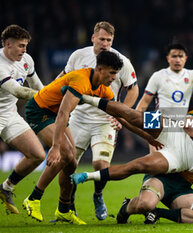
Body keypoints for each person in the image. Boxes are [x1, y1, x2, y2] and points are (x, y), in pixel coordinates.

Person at [22, 50, 123, 225]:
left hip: (57, 115)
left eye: (116, 73)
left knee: (72, 162)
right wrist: (54, 147)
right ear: (99, 69)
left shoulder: (103, 89)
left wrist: (120, 120)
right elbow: (63, 112)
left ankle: (64, 210)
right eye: (112, 72)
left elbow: (118, 111)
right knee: (66, 153)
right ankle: (33, 198)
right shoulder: (80, 80)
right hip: (39, 111)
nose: (114, 77)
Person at [56, 21, 139, 220]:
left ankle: (98, 194)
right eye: (101, 39)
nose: (105, 43)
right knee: (68, 165)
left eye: (109, 40)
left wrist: (121, 114)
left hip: (104, 121)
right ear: (93, 38)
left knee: (101, 166)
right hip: (77, 119)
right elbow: (64, 78)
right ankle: (67, 206)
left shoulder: (122, 61)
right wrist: (47, 91)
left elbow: (133, 88)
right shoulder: (78, 56)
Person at [116, 97, 193, 224]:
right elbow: (188, 126)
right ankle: (126, 207)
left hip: (182, 185)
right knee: (145, 204)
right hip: (162, 175)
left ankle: (157, 213)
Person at [0, 25, 46, 214]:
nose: (24, 50)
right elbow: (18, 91)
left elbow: (37, 86)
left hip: (9, 114)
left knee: (38, 155)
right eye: (20, 46)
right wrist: (47, 97)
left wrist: (49, 98)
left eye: (26, 45)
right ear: (7, 44)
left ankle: (6, 188)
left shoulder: (26, 60)